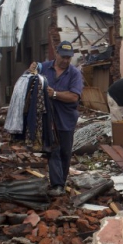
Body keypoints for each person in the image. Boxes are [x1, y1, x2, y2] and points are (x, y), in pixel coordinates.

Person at [29, 40, 84, 197]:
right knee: (53, 149)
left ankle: (62, 180)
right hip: (47, 117)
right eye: (63, 57)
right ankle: (57, 185)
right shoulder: (45, 67)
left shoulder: (74, 73)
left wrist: (54, 94)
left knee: (65, 152)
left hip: (66, 117)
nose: (66, 60)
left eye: (69, 58)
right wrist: (31, 68)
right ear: (57, 54)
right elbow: (31, 73)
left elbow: (74, 97)